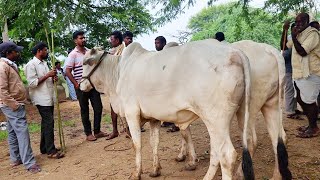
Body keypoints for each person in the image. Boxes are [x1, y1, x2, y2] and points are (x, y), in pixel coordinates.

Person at [0, 41, 41, 173]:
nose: (18, 53)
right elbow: (2, 90)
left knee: (12, 131)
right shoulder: (2, 66)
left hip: (12, 103)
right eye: (15, 51)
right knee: (22, 132)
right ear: (8, 53)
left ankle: (16, 158)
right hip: (11, 105)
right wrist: (15, 105)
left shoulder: (8, 65)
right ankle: (29, 163)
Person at [25, 42, 64, 159]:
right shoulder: (31, 65)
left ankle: (44, 148)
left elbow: (47, 80)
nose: (47, 52)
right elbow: (32, 84)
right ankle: (51, 151)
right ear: (39, 51)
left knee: (46, 123)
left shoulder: (44, 63)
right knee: (49, 123)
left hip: (48, 97)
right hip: (41, 99)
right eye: (45, 50)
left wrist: (53, 78)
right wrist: (48, 75)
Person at [65, 31, 106, 141]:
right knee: (85, 110)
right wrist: (75, 84)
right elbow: (67, 71)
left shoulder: (89, 52)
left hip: (92, 86)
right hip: (81, 86)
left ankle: (97, 131)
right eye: (80, 38)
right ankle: (88, 134)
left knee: (98, 108)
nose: (83, 39)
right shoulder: (73, 54)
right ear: (75, 40)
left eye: (84, 37)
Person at [291, 13, 320, 138]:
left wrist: (293, 36)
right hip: (299, 74)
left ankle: (314, 128)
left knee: (309, 102)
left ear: (307, 21)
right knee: (300, 99)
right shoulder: (300, 34)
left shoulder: (312, 34)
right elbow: (285, 45)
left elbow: (302, 51)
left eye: (300, 22)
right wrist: (286, 31)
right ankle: (310, 124)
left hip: (310, 73)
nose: (297, 25)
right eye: (296, 22)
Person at [154, 36, 180, 132]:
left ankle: (177, 124)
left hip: (171, 83)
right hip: (163, 83)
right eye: (155, 43)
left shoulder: (170, 54)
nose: (156, 45)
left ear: (164, 43)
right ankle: (169, 120)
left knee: (174, 103)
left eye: (158, 43)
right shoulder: (158, 55)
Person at [106, 30, 126, 140]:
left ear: (117, 40)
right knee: (113, 106)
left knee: (126, 106)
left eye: (112, 40)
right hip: (113, 83)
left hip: (123, 83)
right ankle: (115, 130)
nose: (110, 42)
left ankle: (129, 129)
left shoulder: (125, 51)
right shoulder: (111, 52)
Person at [280, 22, 303, 120]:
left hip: (297, 69)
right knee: (290, 89)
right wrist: (284, 31)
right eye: (294, 28)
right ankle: (290, 111)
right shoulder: (290, 39)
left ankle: (293, 108)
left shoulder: (301, 38)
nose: (296, 29)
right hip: (289, 69)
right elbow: (283, 48)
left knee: (296, 90)